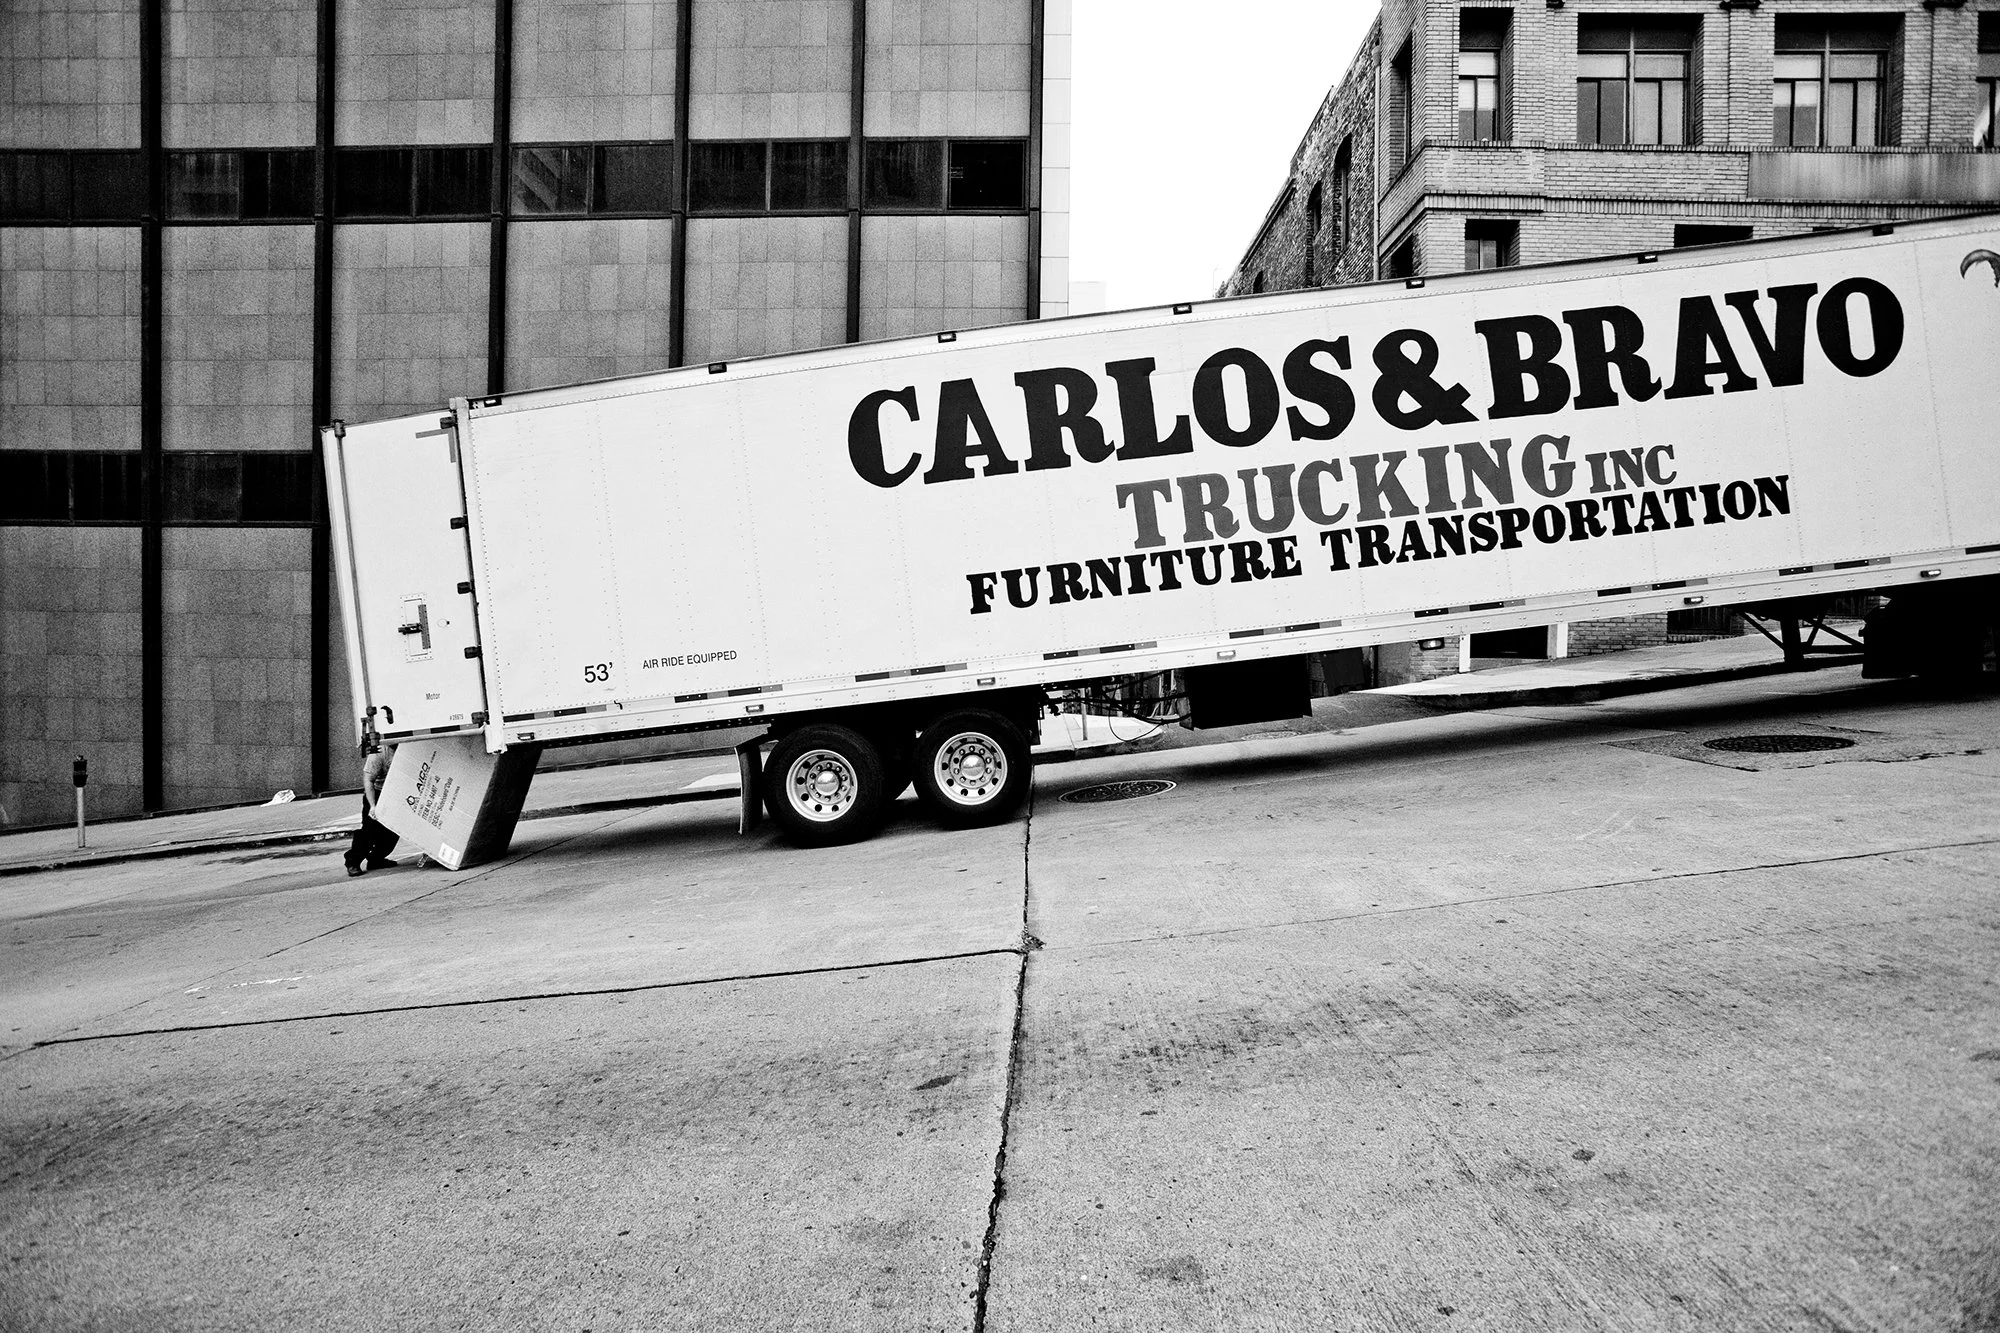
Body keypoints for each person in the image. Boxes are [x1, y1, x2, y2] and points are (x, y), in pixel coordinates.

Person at [343, 741, 399, 876]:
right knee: (369, 832)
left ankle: (376, 860)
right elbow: (368, 780)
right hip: (377, 795)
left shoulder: (407, 748)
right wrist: (373, 806)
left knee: (392, 832)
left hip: (394, 794)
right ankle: (353, 862)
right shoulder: (379, 753)